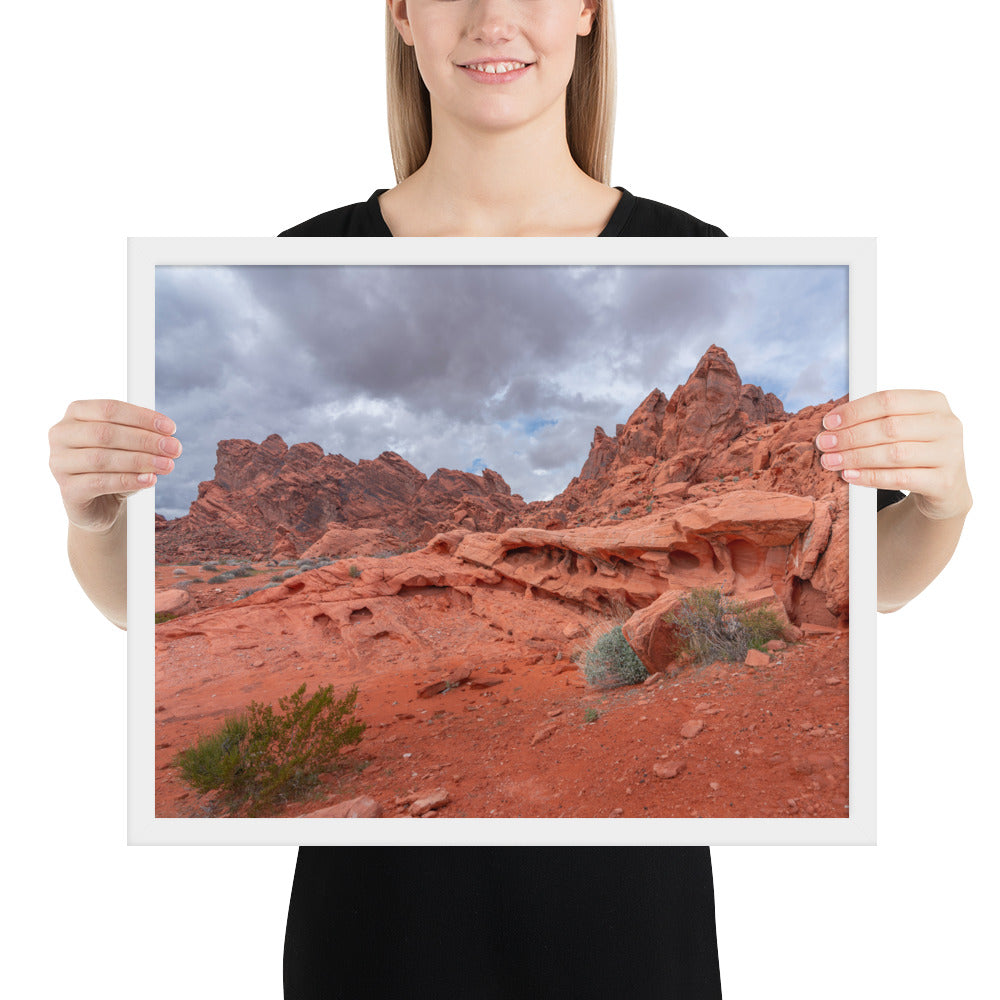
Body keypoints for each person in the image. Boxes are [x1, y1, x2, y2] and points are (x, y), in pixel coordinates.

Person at [47, 2, 972, 997]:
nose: (495, 17)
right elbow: (129, 613)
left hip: (629, 945)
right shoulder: (308, 246)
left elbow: (864, 589)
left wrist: (943, 502)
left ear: (586, 13)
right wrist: (93, 517)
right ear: (402, 14)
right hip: (372, 945)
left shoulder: (685, 241)